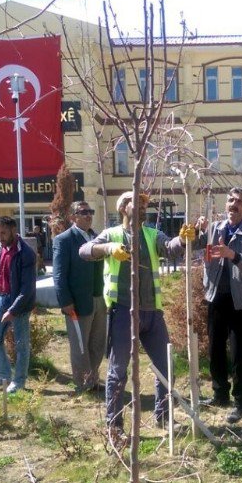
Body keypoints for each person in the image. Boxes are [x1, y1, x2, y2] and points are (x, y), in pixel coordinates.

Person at [79, 190, 195, 448]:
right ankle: (115, 426)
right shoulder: (112, 234)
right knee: (118, 371)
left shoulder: (152, 234)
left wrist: (183, 240)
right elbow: (85, 250)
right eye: (137, 202)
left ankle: (163, 417)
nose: (143, 206)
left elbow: (170, 248)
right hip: (122, 311)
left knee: (166, 366)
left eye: (145, 203)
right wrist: (108, 248)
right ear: (123, 207)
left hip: (152, 313)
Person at [197, 187, 242, 424]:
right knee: (214, 349)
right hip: (216, 297)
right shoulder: (215, 228)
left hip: (240, 300)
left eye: (239, 202)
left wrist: (231, 253)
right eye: (230, 200)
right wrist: (197, 230)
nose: (233, 205)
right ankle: (219, 394)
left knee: (238, 353)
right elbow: (199, 247)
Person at [52, 200, 106, 394]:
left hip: (99, 298)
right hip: (77, 302)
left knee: (98, 344)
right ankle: (83, 384)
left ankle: (93, 379)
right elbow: (58, 274)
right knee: (80, 346)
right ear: (73, 217)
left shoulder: (98, 238)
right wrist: (65, 301)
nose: (88, 215)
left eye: (90, 211)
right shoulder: (64, 240)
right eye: (83, 212)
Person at [0, 216, 36, 394]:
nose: (0, 237)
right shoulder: (0, 249)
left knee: (21, 345)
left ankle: (19, 381)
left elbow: (27, 289)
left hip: (19, 304)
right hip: (0, 300)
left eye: (3, 233)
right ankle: (3, 374)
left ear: (13, 230)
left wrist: (13, 310)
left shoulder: (26, 253)